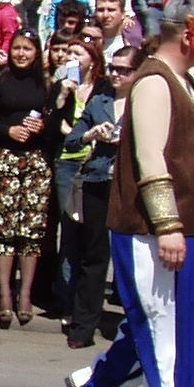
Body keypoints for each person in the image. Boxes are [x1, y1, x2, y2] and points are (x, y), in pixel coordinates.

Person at [62, 0, 194, 387]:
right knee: (169, 330)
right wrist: (168, 225)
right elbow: (150, 158)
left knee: (171, 326)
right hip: (154, 230)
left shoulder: (184, 81)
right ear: (186, 31)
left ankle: (96, 386)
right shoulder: (155, 82)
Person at [0, 33, 59, 328]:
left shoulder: (46, 84)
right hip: (4, 160)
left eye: (27, 49)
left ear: (37, 53)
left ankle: (24, 294)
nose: (21, 54)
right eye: (17, 48)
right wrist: (8, 131)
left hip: (36, 162)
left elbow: (56, 123)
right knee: (4, 230)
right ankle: (4, 293)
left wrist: (43, 125)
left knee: (31, 231)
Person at [58, 50, 132, 347]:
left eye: (125, 70)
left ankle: (134, 327)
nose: (117, 75)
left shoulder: (143, 103)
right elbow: (72, 138)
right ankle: (82, 328)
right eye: (114, 68)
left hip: (130, 183)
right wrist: (92, 134)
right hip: (97, 180)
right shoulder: (100, 102)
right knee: (94, 255)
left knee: (132, 256)